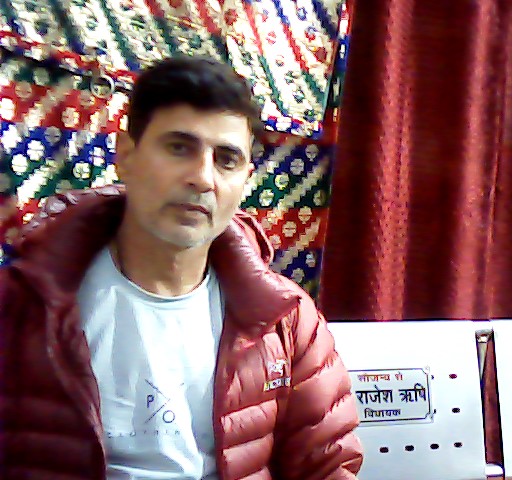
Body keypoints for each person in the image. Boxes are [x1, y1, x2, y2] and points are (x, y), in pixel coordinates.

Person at [0, 56, 363, 479]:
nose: (202, 178)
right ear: (126, 155)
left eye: (226, 159)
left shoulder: (285, 320)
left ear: (245, 180)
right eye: (179, 147)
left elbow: (328, 466)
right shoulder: (21, 305)